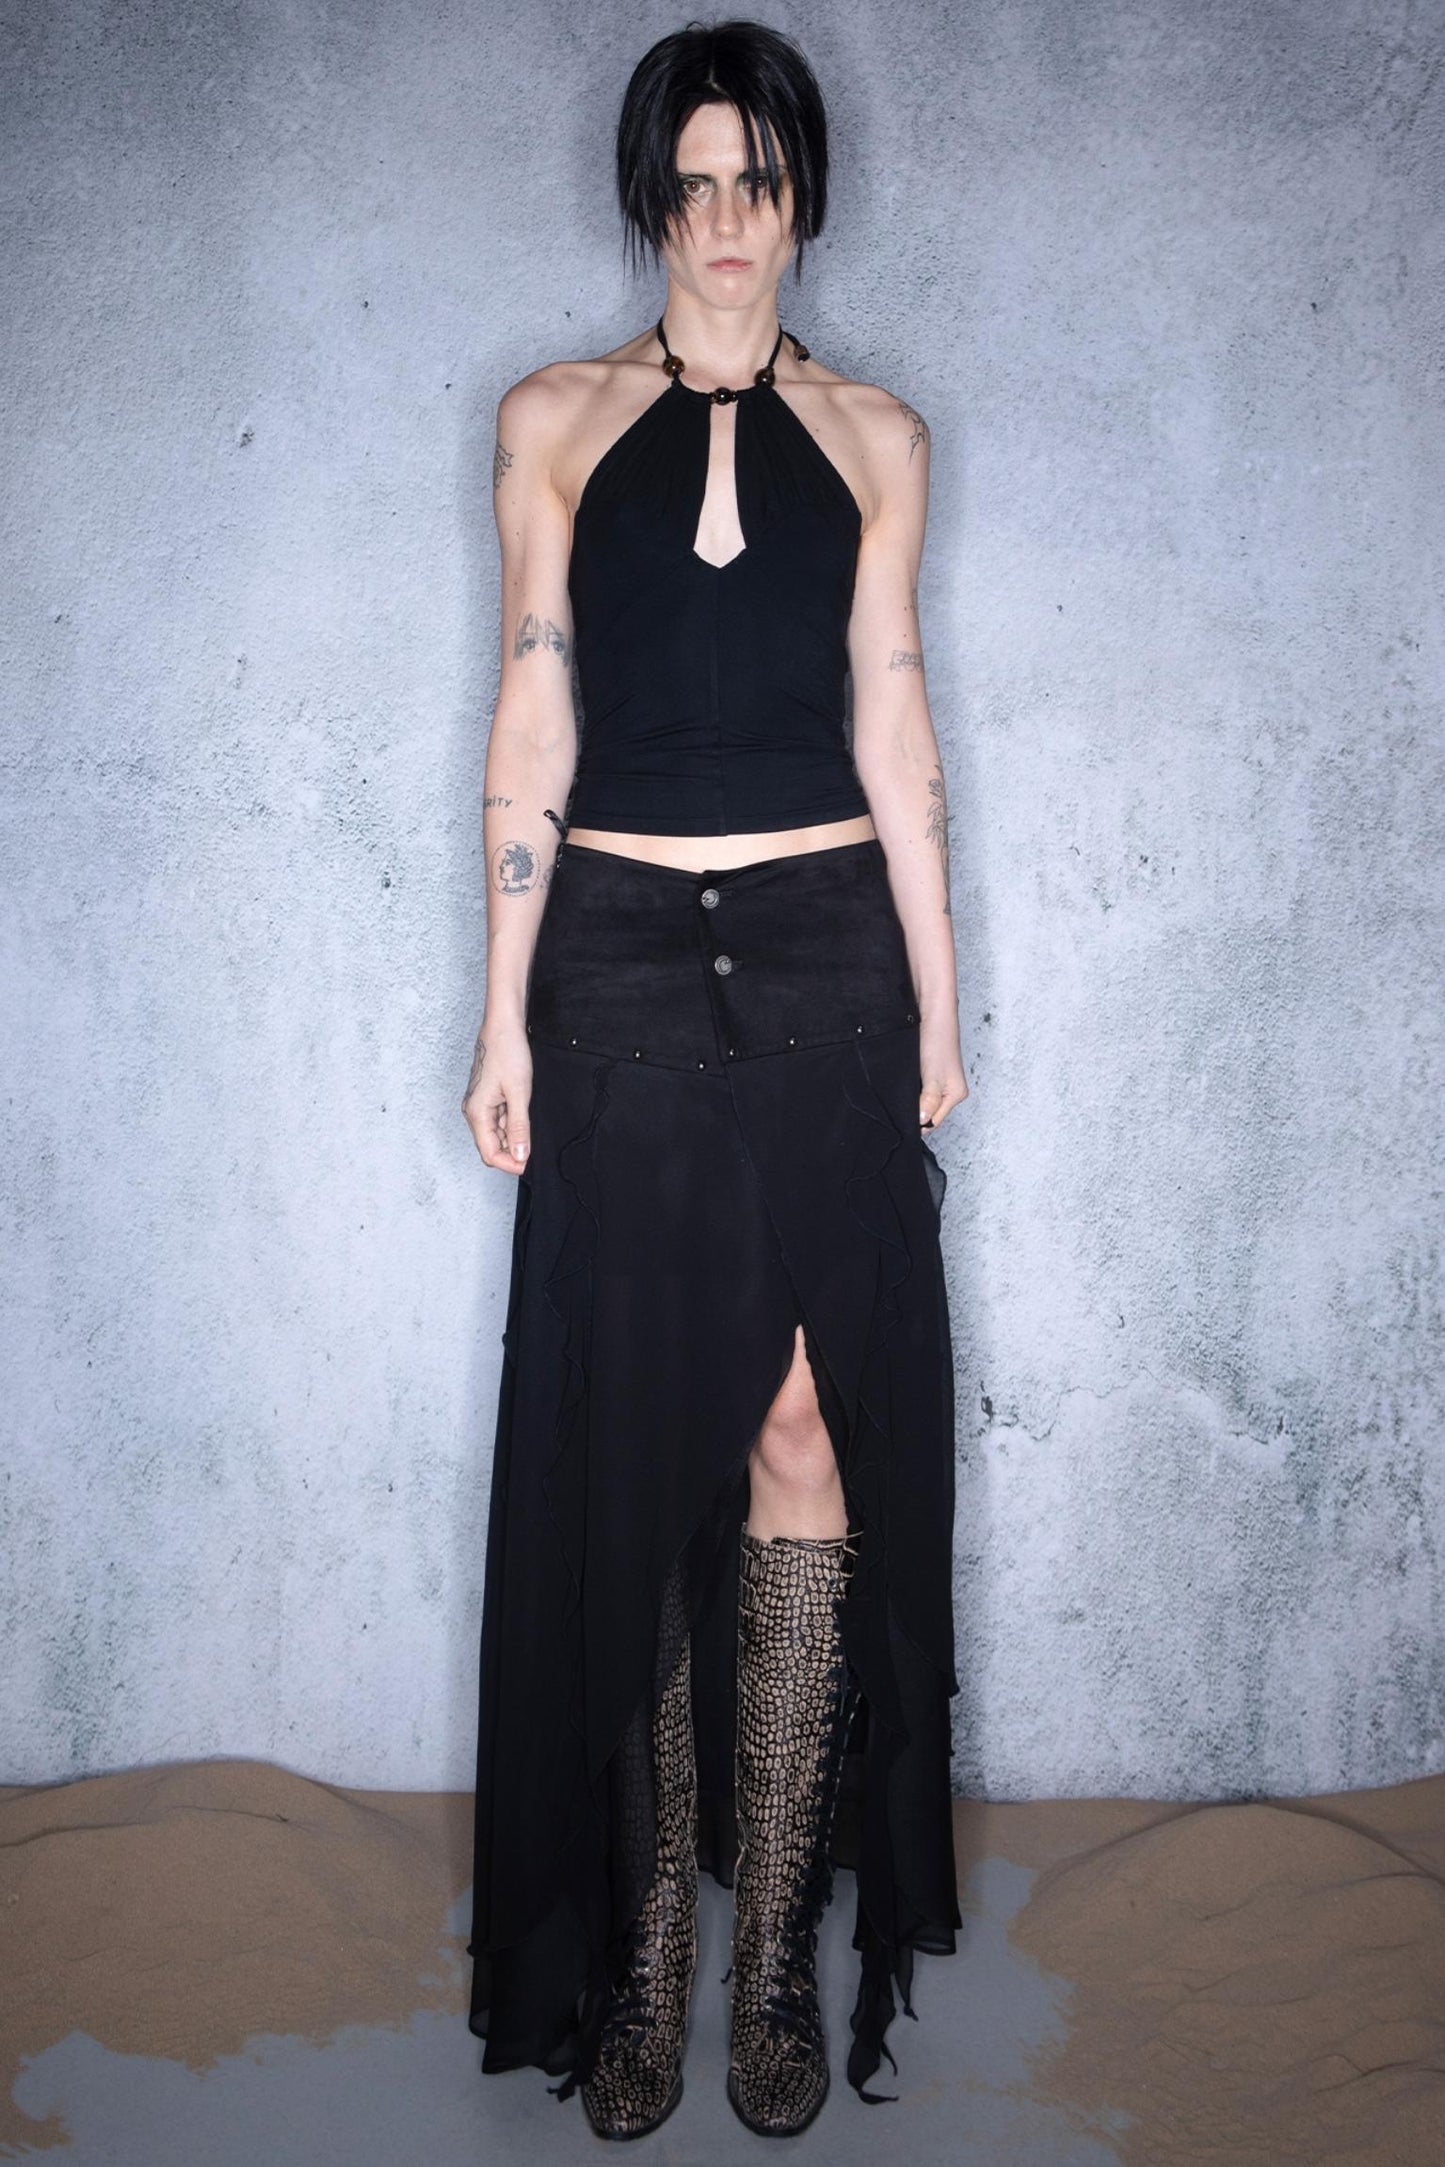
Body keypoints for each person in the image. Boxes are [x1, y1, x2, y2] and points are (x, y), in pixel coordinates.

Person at [462, 17, 970, 2141]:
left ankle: (769, 1964)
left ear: (801, 195)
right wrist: (500, 1008)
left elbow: (893, 712)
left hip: (833, 955)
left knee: (800, 1413)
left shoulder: (879, 433)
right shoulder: (553, 419)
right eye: (691, 185)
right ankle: (648, 1958)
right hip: (618, 966)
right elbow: (534, 712)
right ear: (649, 203)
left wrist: (942, 996)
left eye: (755, 182)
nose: (725, 223)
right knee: (636, 1447)